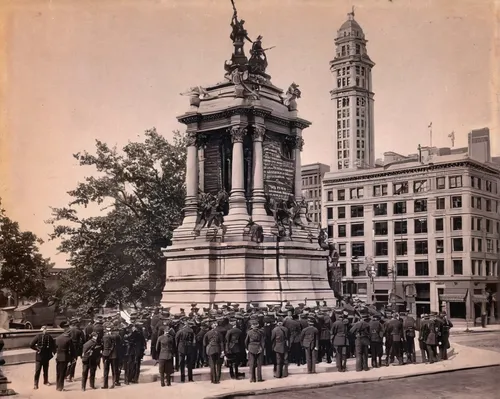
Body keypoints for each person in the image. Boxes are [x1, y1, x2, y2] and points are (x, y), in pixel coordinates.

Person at [54, 321, 75, 392]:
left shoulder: (58, 338)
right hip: (65, 357)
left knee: (58, 372)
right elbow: (72, 350)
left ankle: (57, 386)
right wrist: (73, 358)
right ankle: (61, 387)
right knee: (63, 373)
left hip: (58, 357)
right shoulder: (68, 339)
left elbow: (55, 347)